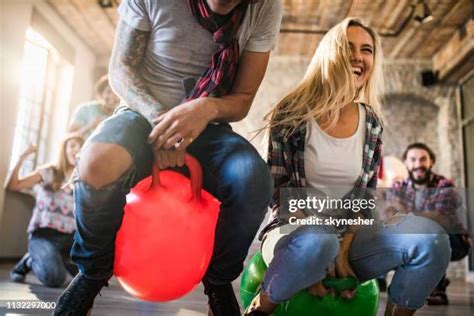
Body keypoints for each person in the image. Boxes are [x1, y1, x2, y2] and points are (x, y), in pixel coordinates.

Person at [54, 0, 282, 315]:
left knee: (253, 179)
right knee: (96, 160)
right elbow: (120, 71)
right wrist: (164, 122)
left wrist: (206, 108)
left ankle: (218, 281)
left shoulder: (265, 7)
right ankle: (92, 271)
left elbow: (242, 99)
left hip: (208, 125)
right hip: (141, 113)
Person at [245, 18, 451, 316]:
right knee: (318, 241)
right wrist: (323, 248)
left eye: (366, 50)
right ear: (331, 54)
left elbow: (365, 197)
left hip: (349, 239)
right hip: (295, 235)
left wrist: (345, 244)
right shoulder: (289, 113)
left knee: (431, 239)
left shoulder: (371, 123)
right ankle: (259, 308)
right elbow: (279, 195)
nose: (358, 56)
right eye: (348, 47)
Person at [387, 143, 471, 306]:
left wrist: (406, 213)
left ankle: (436, 287)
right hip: (415, 236)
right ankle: (408, 287)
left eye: (423, 159)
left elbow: (440, 218)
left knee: (433, 233)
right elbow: (391, 216)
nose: (418, 164)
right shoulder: (398, 186)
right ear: (406, 162)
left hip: (454, 241)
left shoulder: (444, 185)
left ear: (431, 162)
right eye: (413, 159)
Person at [6, 134, 84, 288]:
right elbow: (12, 185)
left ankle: (58, 258)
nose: (77, 149)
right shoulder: (48, 172)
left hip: (69, 241)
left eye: (81, 146)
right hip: (44, 236)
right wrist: (23, 157)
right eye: (73, 145)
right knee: (55, 278)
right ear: (64, 149)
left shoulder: (82, 180)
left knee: (87, 277)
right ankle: (29, 260)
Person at [68, 75, 120, 139]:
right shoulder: (84, 109)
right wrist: (90, 126)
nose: (112, 96)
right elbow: (70, 138)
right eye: (108, 92)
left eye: (116, 94)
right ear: (101, 93)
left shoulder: (121, 115)